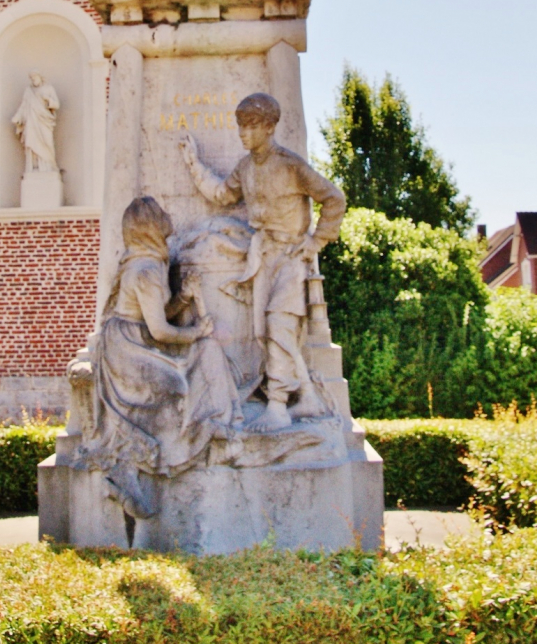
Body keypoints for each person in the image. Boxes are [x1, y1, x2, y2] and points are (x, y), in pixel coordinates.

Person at [180, 94, 346, 433]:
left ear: (269, 127)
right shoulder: (245, 167)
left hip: (290, 257)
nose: (243, 133)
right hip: (263, 257)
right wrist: (194, 164)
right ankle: (309, 398)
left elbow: (334, 198)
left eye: (251, 126)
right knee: (266, 332)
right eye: (241, 126)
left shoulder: (290, 165)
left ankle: (278, 406)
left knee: (279, 324)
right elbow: (223, 195)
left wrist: (317, 240)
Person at [88, 196, 242, 519]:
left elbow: (157, 315)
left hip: (139, 336)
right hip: (127, 348)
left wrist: (184, 296)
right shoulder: (144, 269)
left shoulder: (153, 263)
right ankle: (155, 458)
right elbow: (159, 330)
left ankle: (204, 430)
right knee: (177, 385)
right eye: (158, 214)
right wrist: (196, 333)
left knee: (184, 373)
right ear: (147, 228)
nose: (165, 215)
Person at [11, 72, 60, 173]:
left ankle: (48, 167)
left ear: (40, 77)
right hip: (31, 122)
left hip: (44, 122)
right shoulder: (28, 91)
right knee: (32, 143)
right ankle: (33, 168)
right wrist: (17, 117)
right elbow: (23, 106)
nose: (33, 80)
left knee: (47, 143)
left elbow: (56, 104)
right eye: (32, 78)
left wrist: (49, 101)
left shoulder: (48, 88)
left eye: (35, 77)